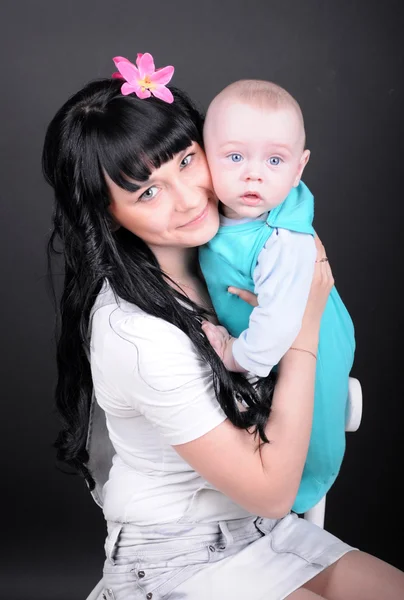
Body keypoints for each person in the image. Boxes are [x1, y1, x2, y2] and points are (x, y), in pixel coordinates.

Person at [42, 53, 404, 599]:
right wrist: (301, 330)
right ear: (108, 215)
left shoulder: (223, 259)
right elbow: (271, 491)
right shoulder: (135, 334)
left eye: (187, 161)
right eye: (148, 191)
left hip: (262, 533)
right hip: (173, 558)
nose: (189, 198)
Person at [199, 79, 355, 514]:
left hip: (311, 341)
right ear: (204, 157)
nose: (254, 174)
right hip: (270, 336)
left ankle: (298, 489)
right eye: (234, 157)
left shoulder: (283, 240)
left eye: (274, 160)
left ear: (299, 168)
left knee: (309, 422)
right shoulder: (223, 212)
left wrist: (234, 356)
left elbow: (281, 326)